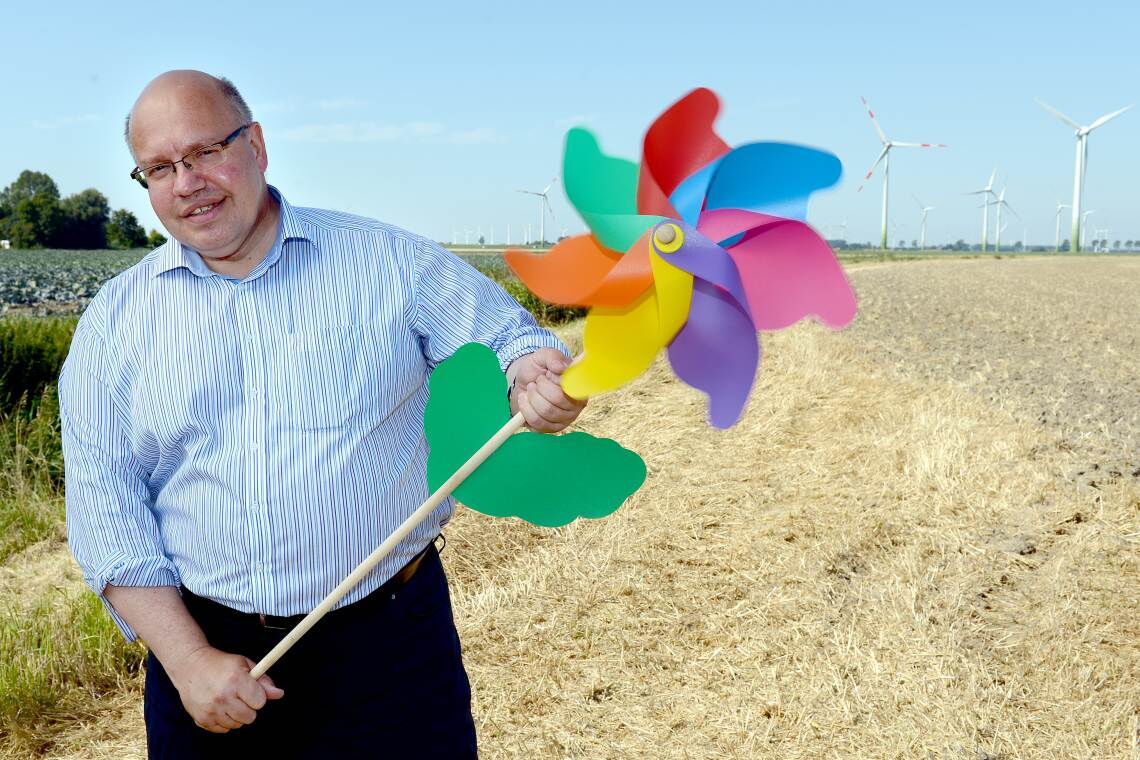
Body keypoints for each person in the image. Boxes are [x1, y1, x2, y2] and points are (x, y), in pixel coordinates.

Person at [59, 69, 586, 759]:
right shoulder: (112, 324)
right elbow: (107, 508)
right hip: (208, 664)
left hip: (388, 648)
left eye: (206, 152)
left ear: (257, 146)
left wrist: (536, 380)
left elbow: (516, 342)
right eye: (160, 167)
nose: (187, 182)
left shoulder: (390, 264)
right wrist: (188, 661)